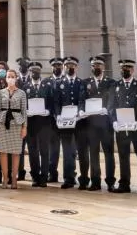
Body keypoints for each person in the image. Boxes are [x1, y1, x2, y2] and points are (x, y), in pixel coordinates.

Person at [110, 59, 137, 197]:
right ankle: (124, 184)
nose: (125, 70)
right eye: (122, 68)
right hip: (121, 127)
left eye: (127, 68)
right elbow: (111, 107)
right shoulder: (116, 86)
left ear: (133, 70)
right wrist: (114, 121)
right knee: (123, 156)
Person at [82, 56, 117, 192]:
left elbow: (112, 100)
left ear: (103, 67)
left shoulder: (111, 82)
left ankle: (110, 182)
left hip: (106, 124)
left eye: (98, 65)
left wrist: (106, 109)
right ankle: (95, 181)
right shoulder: (86, 83)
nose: (95, 68)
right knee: (94, 153)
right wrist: (82, 110)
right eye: (93, 66)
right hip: (91, 124)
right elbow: (83, 100)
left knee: (109, 153)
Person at [53, 56, 83, 189]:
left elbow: (82, 99)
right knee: (67, 151)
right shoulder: (59, 83)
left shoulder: (81, 83)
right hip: (65, 122)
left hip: (79, 121)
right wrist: (58, 115)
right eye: (67, 65)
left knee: (80, 151)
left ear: (76, 67)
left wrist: (81, 111)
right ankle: (68, 178)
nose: (70, 68)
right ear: (64, 67)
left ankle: (83, 177)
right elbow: (56, 101)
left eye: (72, 65)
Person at [0, 69, 27, 190]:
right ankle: (5, 178)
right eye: (9, 76)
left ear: (16, 78)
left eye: (13, 76)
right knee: (2, 152)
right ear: (6, 78)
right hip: (2, 123)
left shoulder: (22, 93)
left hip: (17, 124)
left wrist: (24, 127)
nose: (10, 78)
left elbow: (24, 111)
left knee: (15, 152)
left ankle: (14, 179)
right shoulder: (1, 92)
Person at [22, 61, 53, 187]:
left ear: (40, 72)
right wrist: (25, 112)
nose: (35, 73)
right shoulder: (25, 86)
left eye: (37, 71)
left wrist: (48, 111)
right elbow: (21, 104)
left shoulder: (47, 85)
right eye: (32, 71)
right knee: (33, 151)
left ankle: (44, 177)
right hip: (31, 124)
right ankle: (35, 176)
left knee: (45, 151)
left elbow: (52, 101)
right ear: (29, 72)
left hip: (44, 123)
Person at [46, 56, 64, 183]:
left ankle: (70, 174)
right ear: (51, 67)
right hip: (51, 121)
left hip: (67, 119)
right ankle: (52, 173)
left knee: (70, 150)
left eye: (59, 66)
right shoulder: (46, 82)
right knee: (53, 148)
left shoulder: (67, 80)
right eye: (54, 66)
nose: (57, 68)